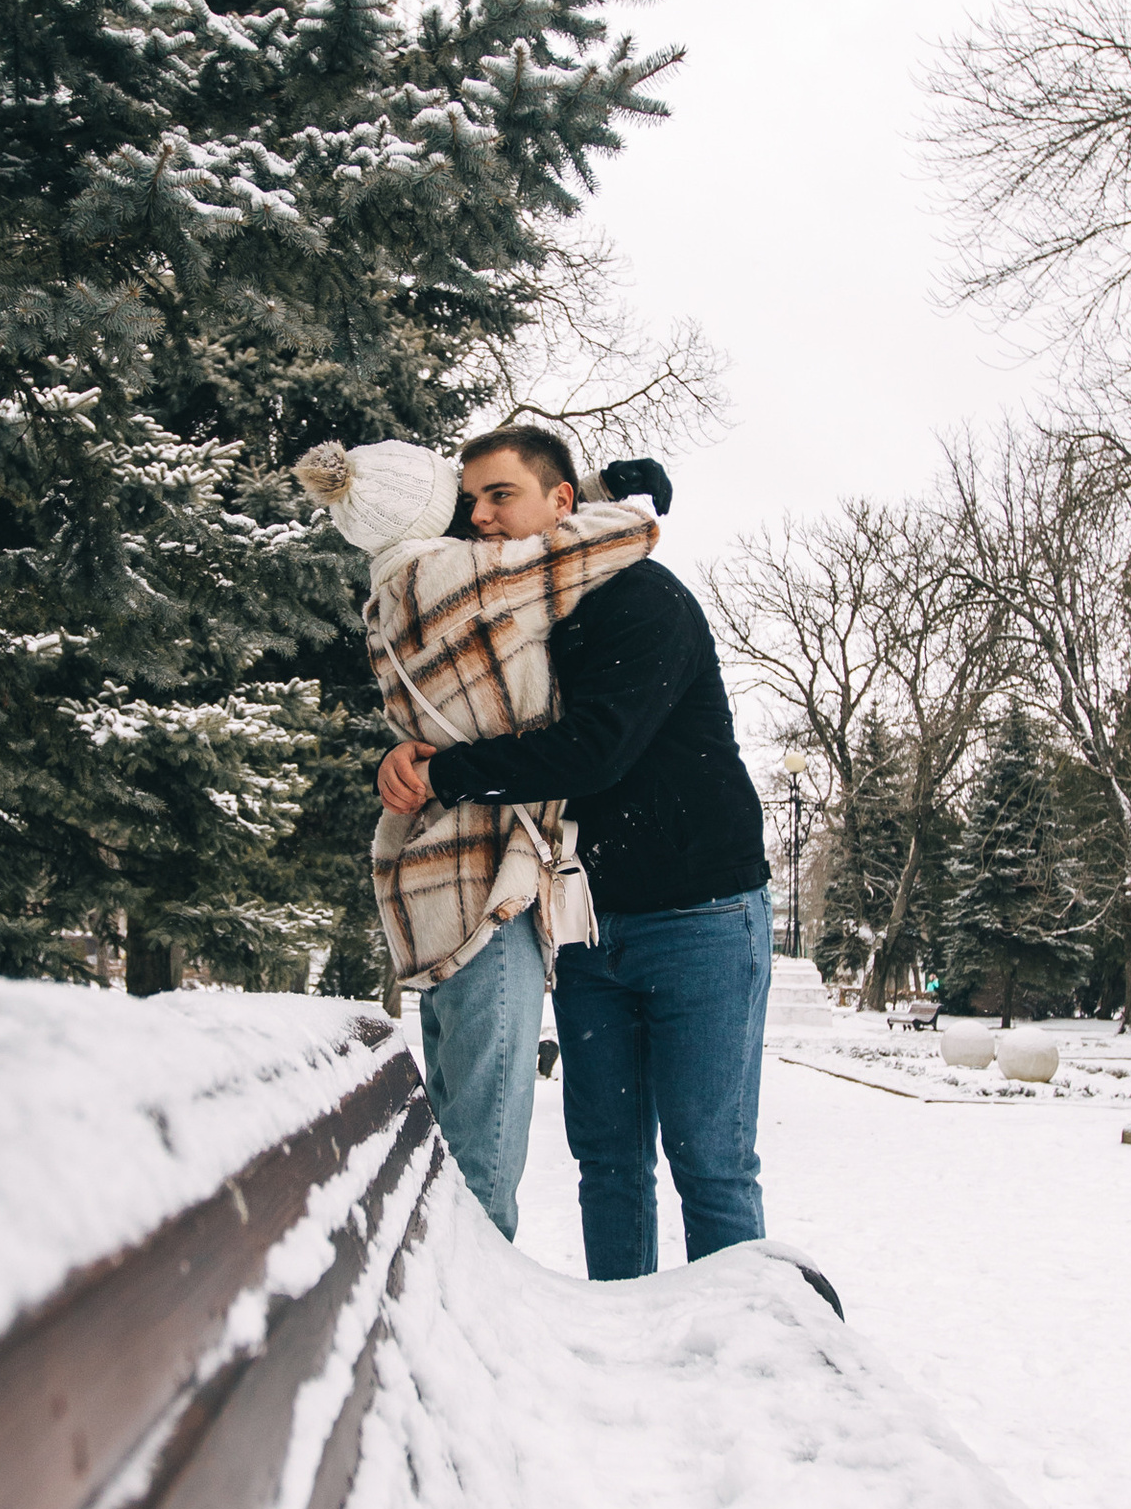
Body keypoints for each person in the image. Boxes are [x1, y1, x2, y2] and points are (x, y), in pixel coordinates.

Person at [377, 437, 772, 1279]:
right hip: (588, 925)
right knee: (609, 1159)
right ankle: (624, 1330)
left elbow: (595, 751)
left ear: (559, 507)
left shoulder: (641, 599)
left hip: (700, 916)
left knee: (711, 1162)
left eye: (499, 497)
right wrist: (406, 757)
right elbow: (464, 697)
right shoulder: (522, 602)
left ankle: (738, 1356)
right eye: (468, 500)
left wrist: (444, 774)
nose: (479, 517)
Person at [294, 427, 666, 1236]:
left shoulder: (391, 589)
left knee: (463, 1136)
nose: (476, 516)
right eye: (461, 500)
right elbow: (624, 536)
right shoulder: (459, 579)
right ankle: (464, 1336)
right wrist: (603, 492)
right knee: (482, 1166)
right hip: (483, 890)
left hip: (433, 883)